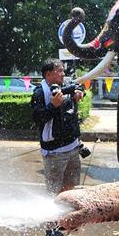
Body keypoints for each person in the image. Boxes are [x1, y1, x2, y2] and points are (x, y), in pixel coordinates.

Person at [30, 58, 85, 213]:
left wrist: (80, 93)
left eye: (63, 70)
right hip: (54, 153)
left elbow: (79, 87)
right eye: (59, 71)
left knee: (70, 187)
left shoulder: (66, 85)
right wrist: (53, 106)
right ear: (48, 74)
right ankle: (52, 221)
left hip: (73, 147)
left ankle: (66, 215)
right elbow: (37, 118)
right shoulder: (40, 93)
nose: (63, 74)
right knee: (53, 192)